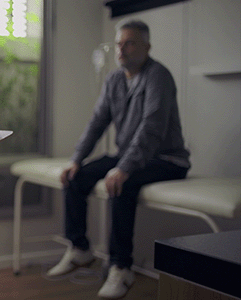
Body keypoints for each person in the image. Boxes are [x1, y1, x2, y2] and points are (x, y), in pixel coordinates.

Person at [46, 19, 190, 299]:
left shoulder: (158, 76)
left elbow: (151, 129)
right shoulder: (114, 80)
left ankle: (121, 267)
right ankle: (80, 249)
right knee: (76, 177)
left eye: (130, 43)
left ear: (147, 47)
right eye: (119, 43)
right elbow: (97, 123)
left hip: (167, 160)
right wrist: (76, 159)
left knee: (119, 183)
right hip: (130, 156)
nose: (121, 49)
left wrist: (122, 168)